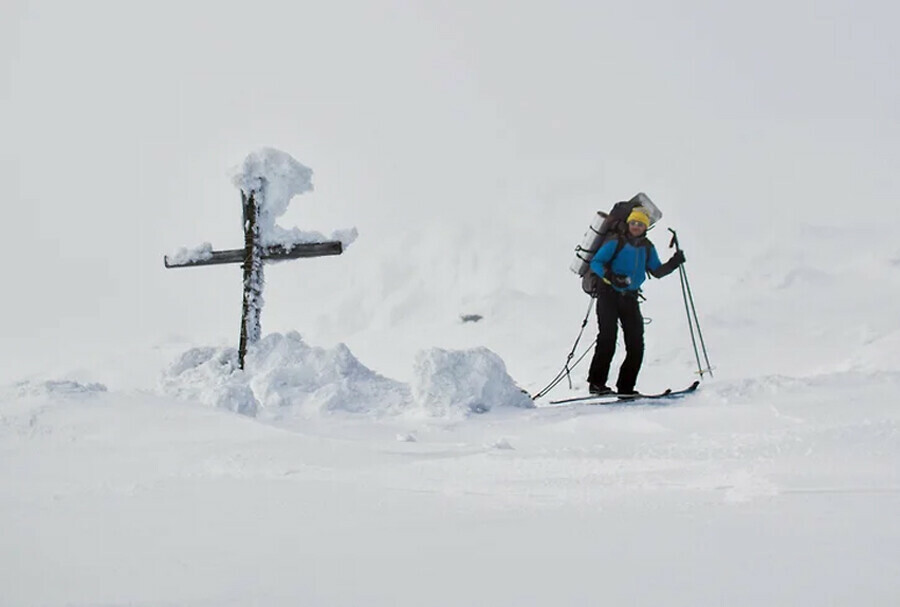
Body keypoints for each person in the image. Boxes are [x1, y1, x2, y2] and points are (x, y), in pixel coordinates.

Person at [587, 207, 685, 396]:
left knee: (636, 343)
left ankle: (626, 387)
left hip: (630, 297)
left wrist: (674, 263)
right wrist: (612, 277)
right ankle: (597, 384)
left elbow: (656, 271)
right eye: (633, 223)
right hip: (608, 294)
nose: (636, 227)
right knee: (608, 337)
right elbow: (596, 263)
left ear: (646, 227)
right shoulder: (616, 242)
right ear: (629, 224)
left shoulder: (647, 247)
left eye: (640, 224)